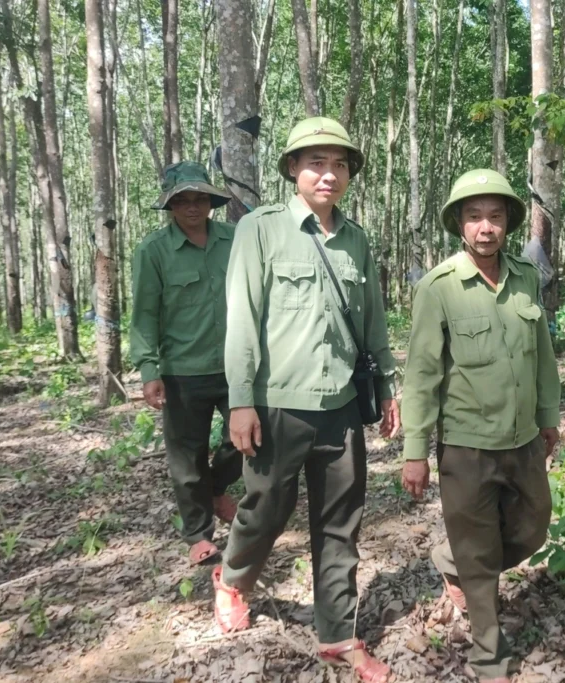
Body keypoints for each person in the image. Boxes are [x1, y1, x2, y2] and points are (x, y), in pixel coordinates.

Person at [214, 116, 399, 683]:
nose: (329, 174)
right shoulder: (261, 230)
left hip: (341, 405)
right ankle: (235, 579)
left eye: (339, 164)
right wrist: (241, 400)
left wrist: (388, 385)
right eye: (316, 162)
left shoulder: (357, 237)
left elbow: (372, 323)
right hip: (277, 404)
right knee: (265, 509)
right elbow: (242, 319)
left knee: (341, 523)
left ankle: (337, 636)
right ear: (293, 169)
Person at [399, 169, 561, 683]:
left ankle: (456, 560)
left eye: (494, 216)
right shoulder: (438, 288)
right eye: (474, 217)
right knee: (480, 555)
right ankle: (488, 657)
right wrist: (414, 450)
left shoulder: (526, 277)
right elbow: (421, 374)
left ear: (508, 223)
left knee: (534, 527)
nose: (485, 227)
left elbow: (543, 358)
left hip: (523, 440)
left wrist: (548, 417)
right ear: (459, 225)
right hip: (465, 447)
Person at [130, 161, 243, 566]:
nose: (193, 207)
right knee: (186, 456)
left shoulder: (236, 239)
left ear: (211, 202)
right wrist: (148, 370)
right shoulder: (153, 251)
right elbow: (144, 313)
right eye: (183, 200)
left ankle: (216, 490)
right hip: (182, 371)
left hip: (237, 366)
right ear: (170, 205)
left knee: (245, 441)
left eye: (200, 199)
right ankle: (198, 534)